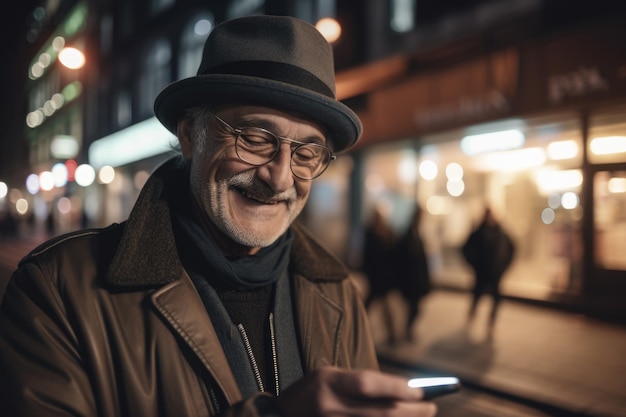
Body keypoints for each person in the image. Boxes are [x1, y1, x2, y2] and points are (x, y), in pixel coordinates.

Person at [0, 16, 437, 417]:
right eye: (254, 138)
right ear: (191, 136)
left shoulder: (337, 293)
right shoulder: (57, 292)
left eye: (306, 153)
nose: (280, 178)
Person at [462, 206, 515, 337]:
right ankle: (471, 318)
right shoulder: (478, 232)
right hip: (481, 272)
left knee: (495, 300)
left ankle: (490, 324)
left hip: (495, 273)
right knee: (476, 298)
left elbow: (512, 249)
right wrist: (473, 264)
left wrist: (504, 267)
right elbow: (465, 249)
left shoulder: (500, 233)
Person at [395, 205, 431, 342]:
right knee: (412, 308)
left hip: (416, 279)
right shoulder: (409, 234)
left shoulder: (416, 233)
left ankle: (407, 330)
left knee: (415, 308)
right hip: (411, 279)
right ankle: (406, 331)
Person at [361, 204, 396, 344]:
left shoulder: (387, 232)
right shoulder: (371, 232)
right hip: (375, 276)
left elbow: (392, 255)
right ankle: (358, 331)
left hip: (383, 276)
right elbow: (367, 256)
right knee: (367, 307)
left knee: (381, 307)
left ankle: (392, 335)